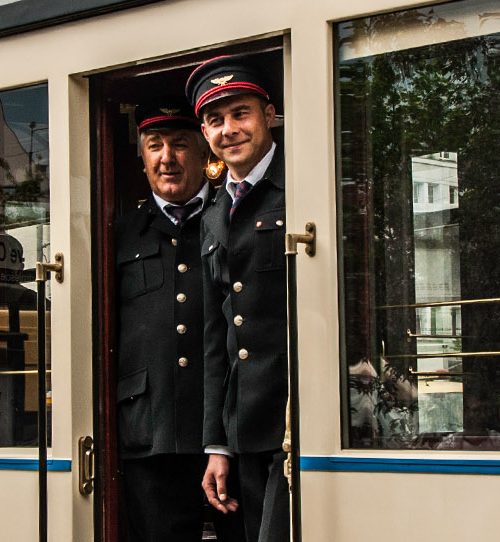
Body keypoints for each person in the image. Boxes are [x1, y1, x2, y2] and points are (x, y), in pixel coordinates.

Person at [115, 97, 240, 542]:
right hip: (150, 434)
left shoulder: (232, 216)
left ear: (204, 150)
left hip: (230, 428)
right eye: (155, 145)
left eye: (180, 144)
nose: (166, 158)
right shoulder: (120, 233)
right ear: (141, 156)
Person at [187, 54, 290, 542]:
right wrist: (217, 444)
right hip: (244, 426)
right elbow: (216, 337)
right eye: (214, 120)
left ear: (268, 115)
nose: (228, 129)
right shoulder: (211, 211)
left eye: (240, 114)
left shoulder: (302, 183)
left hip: (299, 419)